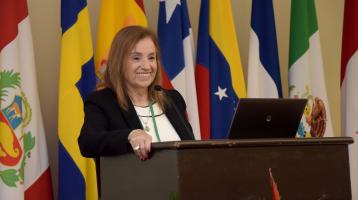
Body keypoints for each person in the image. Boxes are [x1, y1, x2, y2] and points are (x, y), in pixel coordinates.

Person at [78, 26, 195, 161]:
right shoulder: (102, 101)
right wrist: (129, 135)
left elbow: (191, 148)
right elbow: (88, 142)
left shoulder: (173, 99)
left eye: (151, 58)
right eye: (136, 58)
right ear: (119, 62)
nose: (146, 66)